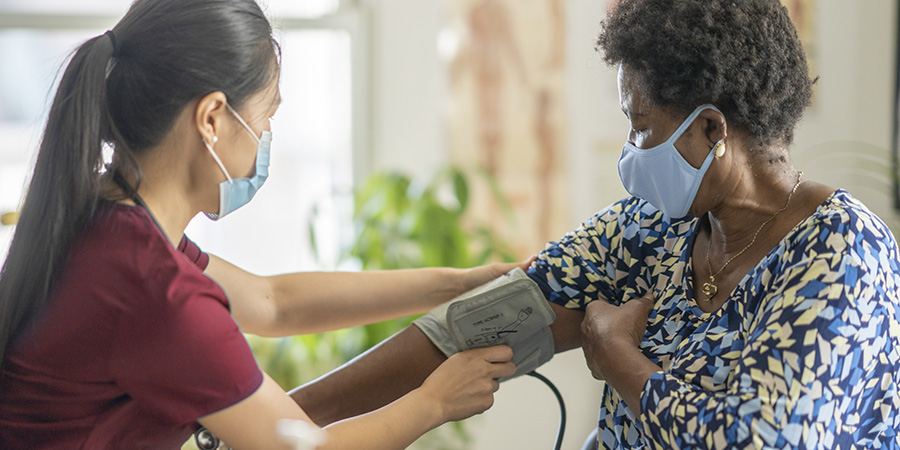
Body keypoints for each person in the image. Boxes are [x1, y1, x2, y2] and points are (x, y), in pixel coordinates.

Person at [289, 0, 900, 449]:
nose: (631, 149)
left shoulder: (843, 254)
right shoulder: (651, 228)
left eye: (642, 126)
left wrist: (616, 355)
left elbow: (760, 442)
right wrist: (271, 421)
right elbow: (478, 326)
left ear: (713, 129)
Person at [0, 1, 525, 448]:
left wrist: (458, 283)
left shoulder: (109, 220)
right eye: (266, 116)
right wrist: (434, 401)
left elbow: (275, 302)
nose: (267, 138)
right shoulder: (153, 288)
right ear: (211, 119)